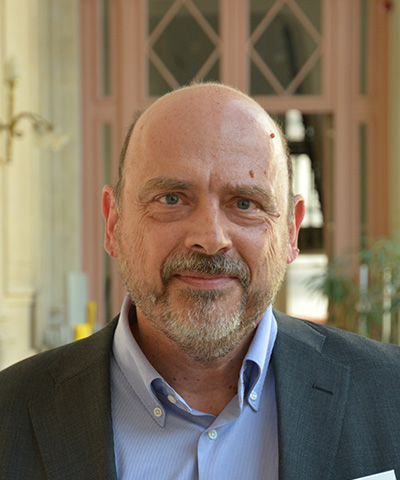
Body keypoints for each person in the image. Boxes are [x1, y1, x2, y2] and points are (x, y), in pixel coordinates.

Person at [1, 83, 400, 480]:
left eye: (245, 203)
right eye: (172, 198)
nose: (210, 239)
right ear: (114, 224)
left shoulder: (391, 392)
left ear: (291, 232)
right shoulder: (10, 412)